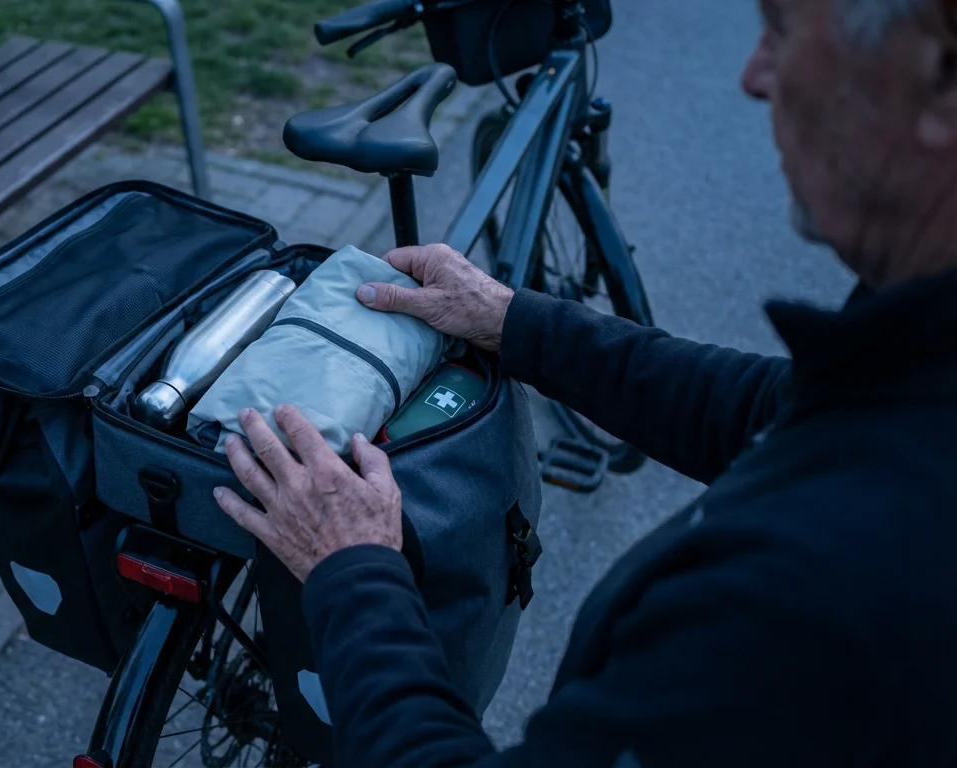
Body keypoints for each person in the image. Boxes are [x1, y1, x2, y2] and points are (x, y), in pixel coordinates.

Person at [213, 0, 957, 765]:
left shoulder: (812, 595)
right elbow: (765, 408)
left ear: (939, 77)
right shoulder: (912, 375)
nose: (753, 75)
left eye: (782, 31)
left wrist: (353, 567)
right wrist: (510, 318)